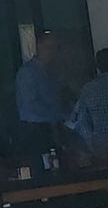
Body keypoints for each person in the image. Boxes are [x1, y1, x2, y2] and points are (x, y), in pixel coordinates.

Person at [14, 32, 69, 172]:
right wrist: (58, 115)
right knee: (42, 169)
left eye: (55, 48)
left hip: (51, 128)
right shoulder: (28, 73)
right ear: (39, 47)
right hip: (35, 130)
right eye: (49, 47)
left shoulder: (51, 72)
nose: (52, 52)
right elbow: (30, 105)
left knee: (56, 167)